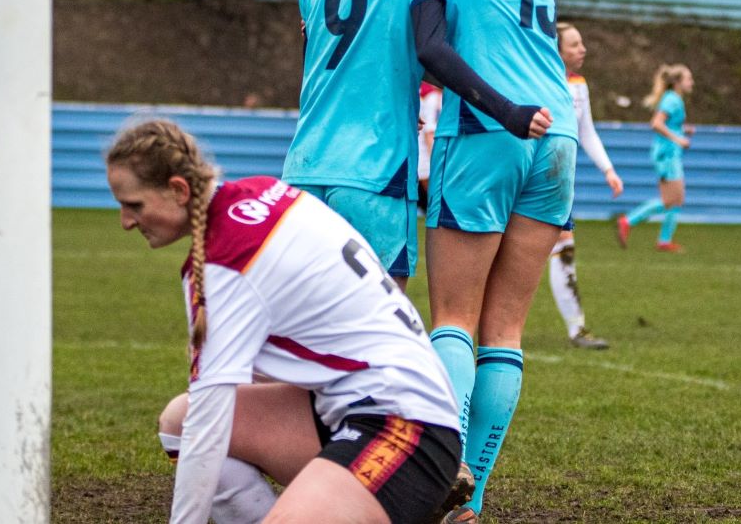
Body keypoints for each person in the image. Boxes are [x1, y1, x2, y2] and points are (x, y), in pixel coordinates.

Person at [310, 0, 575, 524]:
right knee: (507, 331)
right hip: (561, 137)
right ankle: (473, 498)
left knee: (452, 318)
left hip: (491, 127)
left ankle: (433, 486)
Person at [106, 118, 471, 524]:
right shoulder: (266, 191)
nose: (125, 221)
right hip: (360, 407)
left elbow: (211, 424)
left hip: (407, 427)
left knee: (199, 425)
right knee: (181, 422)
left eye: (133, 205)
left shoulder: (223, 261)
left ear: (178, 189)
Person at [283, 0, 546, 294]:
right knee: (379, 336)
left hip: (304, 169)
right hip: (376, 171)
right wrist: (505, 109)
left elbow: (320, 73)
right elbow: (433, 51)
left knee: (301, 337)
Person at [548, 23, 624, 350]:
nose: (583, 50)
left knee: (563, 247)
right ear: (557, 49)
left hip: (558, 181)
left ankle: (577, 329)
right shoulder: (538, 79)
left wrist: (608, 170)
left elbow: (587, 132)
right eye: (575, 44)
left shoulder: (579, 85)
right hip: (531, 178)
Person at [616, 63, 695, 253]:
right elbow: (656, 123)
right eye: (689, 79)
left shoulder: (674, 98)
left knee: (675, 200)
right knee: (672, 200)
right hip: (666, 155)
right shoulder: (672, 100)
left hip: (670, 153)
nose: (692, 82)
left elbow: (668, 124)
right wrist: (679, 139)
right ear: (678, 82)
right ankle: (628, 220)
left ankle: (664, 241)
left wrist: (683, 130)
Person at [417, 81, 443, 212]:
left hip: (419, 144)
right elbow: (430, 131)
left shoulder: (424, 91)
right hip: (425, 147)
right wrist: (435, 159)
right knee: (430, 180)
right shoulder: (432, 96)